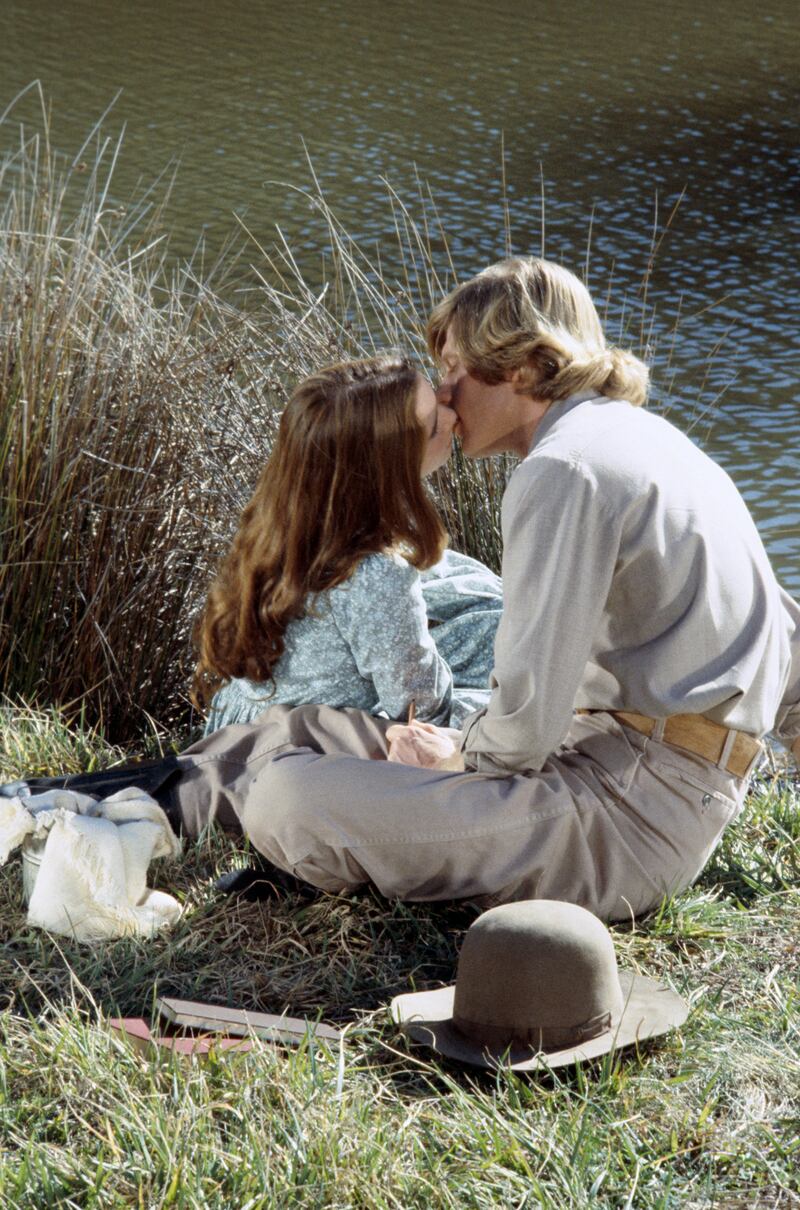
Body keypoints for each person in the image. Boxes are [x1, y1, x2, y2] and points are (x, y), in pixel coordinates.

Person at [11, 258, 800, 921]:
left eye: (453, 372)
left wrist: (460, 750)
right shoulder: (647, 442)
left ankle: (162, 825)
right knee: (305, 729)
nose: (446, 398)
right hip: (638, 782)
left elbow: (521, 730)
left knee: (289, 798)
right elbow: (784, 635)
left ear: (522, 368)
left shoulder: (563, 472)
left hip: (622, 814)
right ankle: (86, 803)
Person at [194, 354, 501, 735]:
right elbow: (422, 715)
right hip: (299, 747)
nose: (451, 414)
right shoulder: (376, 573)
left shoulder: (285, 524)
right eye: (436, 423)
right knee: (514, 701)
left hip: (240, 720)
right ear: (393, 462)